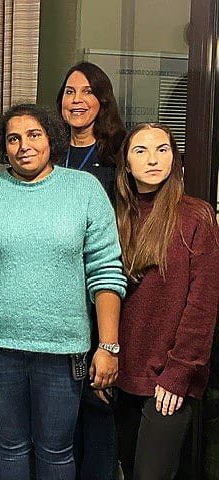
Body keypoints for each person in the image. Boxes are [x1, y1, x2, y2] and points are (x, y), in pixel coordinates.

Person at [0, 103, 127, 480]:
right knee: (8, 447)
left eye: (33, 135)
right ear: (3, 146)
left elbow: (106, 271)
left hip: (63, 349)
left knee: (56, 450)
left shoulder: (84, 190)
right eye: (13, 138)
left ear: (51, 139)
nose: (23, 145)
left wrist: (108, 346)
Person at [114, 123, 219, 480]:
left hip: (170, 375)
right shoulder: (117, 216)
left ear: (174, 158)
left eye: (162, 149)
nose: (153, 159)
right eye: (141, 150)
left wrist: (179, 372)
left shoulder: (195, 216)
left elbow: (202, 304)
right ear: (127, 163)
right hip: (122, 373)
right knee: (128, 469)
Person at [56, 61, 127, 480]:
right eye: (69, 91)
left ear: (103, 101)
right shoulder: (49, 152)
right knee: (62, 410)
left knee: (97, 400)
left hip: (101, 291)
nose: (77, 100)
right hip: (57, 295)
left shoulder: (119, 154)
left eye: (87, 92)